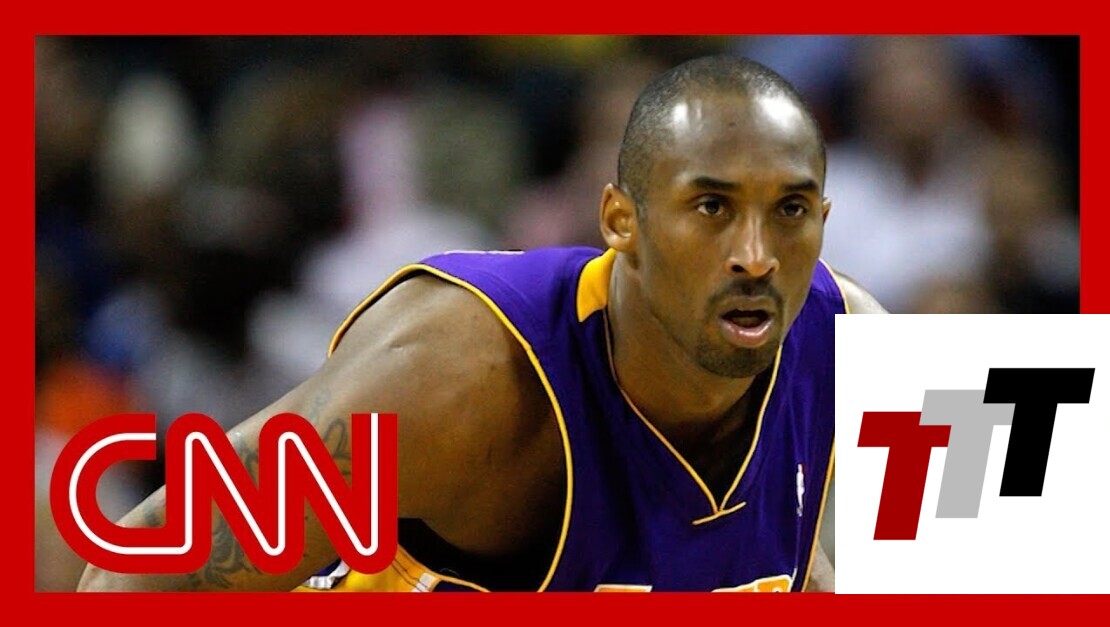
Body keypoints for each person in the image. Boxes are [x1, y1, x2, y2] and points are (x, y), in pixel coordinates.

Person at [77, 54, 885, 593]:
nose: (754, 256)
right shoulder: (464, 372)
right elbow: (134, 572)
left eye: (788, 211)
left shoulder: (862, 347)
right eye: (710, 207)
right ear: (620, 220)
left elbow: (949, 577)